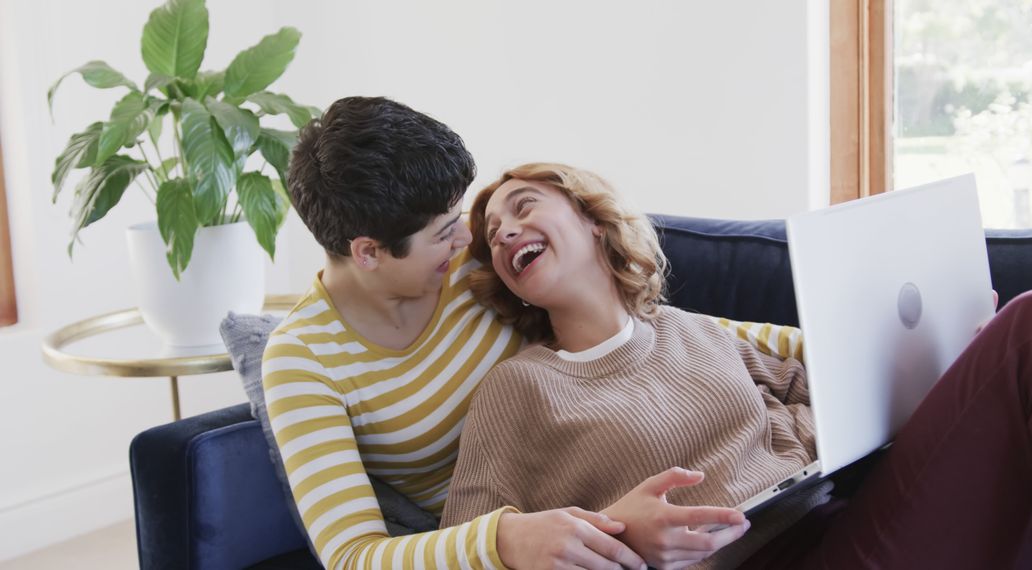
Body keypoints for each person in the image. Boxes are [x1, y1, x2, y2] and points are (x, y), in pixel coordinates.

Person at [442, 162, 1032, 569]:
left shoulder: (693, 331)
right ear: (514, 288)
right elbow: (469, 546)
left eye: (522, 206)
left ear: (592, 221)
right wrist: (621, 534)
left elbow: (839, 401)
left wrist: (957, 364)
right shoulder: (520, 388)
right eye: (492, 232)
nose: (501, 232)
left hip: (850, 524)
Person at [262, 97, 748, 569]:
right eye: (443, 232)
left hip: (623, 464)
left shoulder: (474, 263)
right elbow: (352, 556)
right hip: (534, 530)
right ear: (369, 252)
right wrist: (505, 540)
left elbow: (646, 326)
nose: (467, 238)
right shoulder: (302, 358)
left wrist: (808, 345)